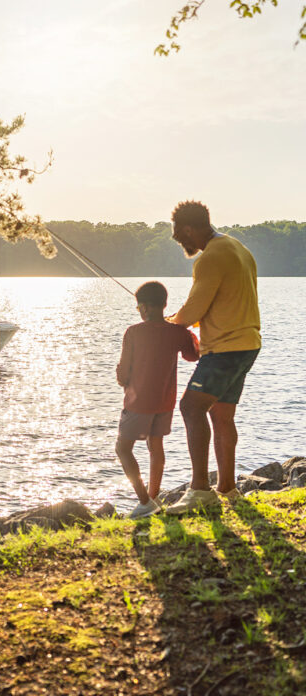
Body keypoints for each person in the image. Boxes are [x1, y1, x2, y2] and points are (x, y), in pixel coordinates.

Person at [165, 200, 261, 515]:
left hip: (225, 348)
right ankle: (228, 488)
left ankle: (199, 489)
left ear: (189, 229)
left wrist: (170, 322)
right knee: (222, 416)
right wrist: (184, 317)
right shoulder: (237, 248)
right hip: (247, 344)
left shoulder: (210, 258)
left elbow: (195, 309)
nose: (181, 242)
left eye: (180, 236)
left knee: (190, 408)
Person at [116, 281, 200, 519]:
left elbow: (123, 376)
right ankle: (152, 499)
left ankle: (144, 501)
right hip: (165, 403)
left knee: (122, 449)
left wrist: (120, 377)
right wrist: (183, 329)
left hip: (138, 403)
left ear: (143, 307)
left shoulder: (133, 332)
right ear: (163, 305)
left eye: (138, 307)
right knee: (156, 448)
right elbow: (193, 355)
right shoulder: (177, 332)